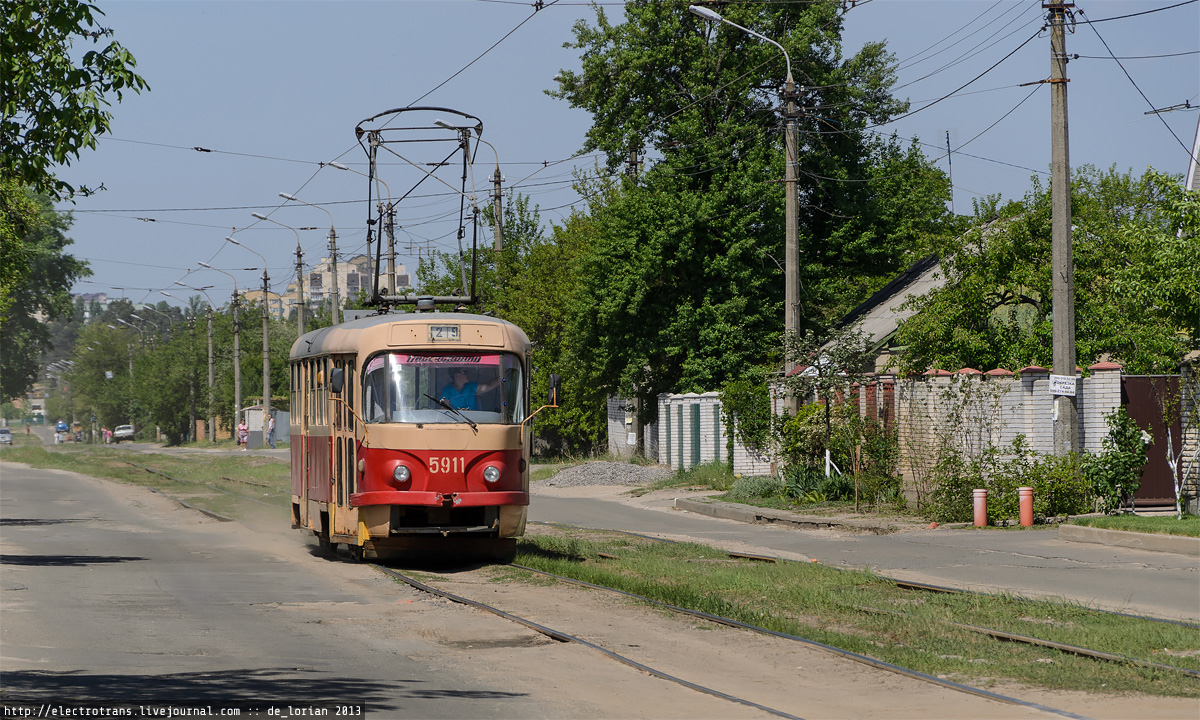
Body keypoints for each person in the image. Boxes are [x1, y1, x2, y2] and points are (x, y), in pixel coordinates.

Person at [438, 368, 502, 411]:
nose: (468, 374)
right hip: (456, 422)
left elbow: (489, 386)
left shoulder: (471, 386)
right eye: (465, 372)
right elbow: (444, 408)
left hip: (474, 421)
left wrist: (503, 376)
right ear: (456, 375)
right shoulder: (447, 390)